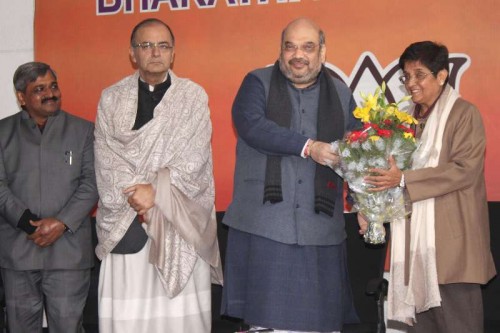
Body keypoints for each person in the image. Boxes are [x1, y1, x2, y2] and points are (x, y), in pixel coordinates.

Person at [221, 17, 359, 333]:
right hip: (265, 223)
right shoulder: (256, 82)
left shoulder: (340, 94)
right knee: (264, 323)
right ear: (281, 51)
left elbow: (357, 152)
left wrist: (364, 203)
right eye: (290, 46)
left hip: (319, 229)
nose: (298, 55)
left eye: (308, 47)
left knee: (320, 324)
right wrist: (309, 147)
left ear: (322, 53)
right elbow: (252, 126)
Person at [94, 18, 222, 333]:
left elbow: (194, 158)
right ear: (132, 53)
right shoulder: (112, 98)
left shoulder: (192, 97)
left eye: (163, 45)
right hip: (128, 221)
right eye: (146, 45)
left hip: (179, 222)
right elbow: (107, 157)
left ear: (173, 53)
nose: (155, 52)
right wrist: (138, 196)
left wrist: (155, 192)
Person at [359, 41, 496, 333]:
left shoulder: (463, 114)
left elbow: (464, 170)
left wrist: (406, 179)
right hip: (412, 248)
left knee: (461, 325)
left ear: (442, 75)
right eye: (406, 76)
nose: (411, 84)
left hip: (452, 248)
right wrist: (371, 210)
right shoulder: (404, 119)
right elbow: (388, 172)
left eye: (419, 75)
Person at [0, 61, 98, 333]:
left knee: (68, 327)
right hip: (18, 251)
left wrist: (61, 223)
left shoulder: (83, 131)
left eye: (53, 86)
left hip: (67, 252)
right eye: (39, 89)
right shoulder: (3, 133)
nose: (50, 93)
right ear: (21, 97)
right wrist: (27, 223)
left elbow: (91, 183)